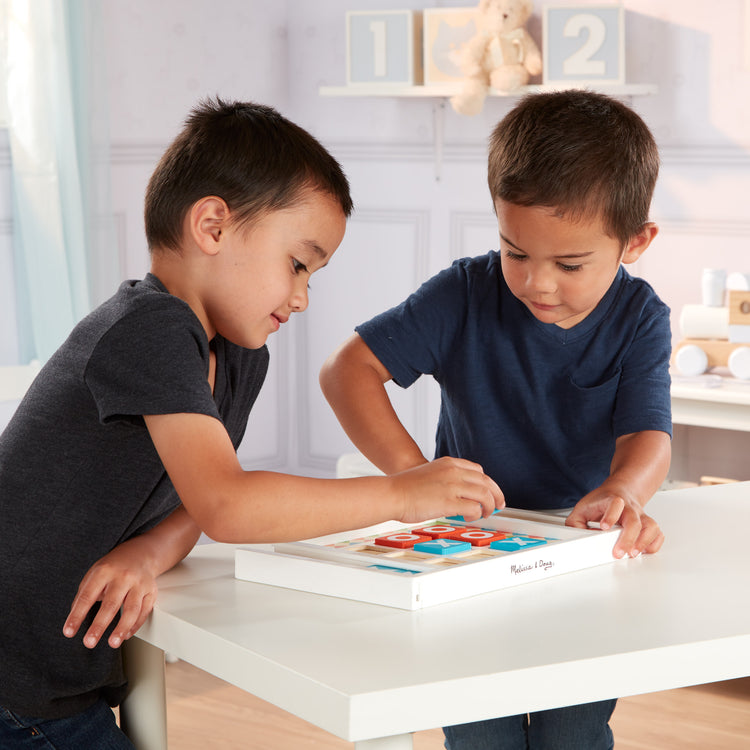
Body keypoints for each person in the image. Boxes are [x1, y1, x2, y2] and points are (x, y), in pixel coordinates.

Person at [0, 98, 503, 750]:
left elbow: (198, 505)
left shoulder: (239, 356)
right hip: (21, 684)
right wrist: (402, 493)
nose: (301, 297)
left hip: (60, 674)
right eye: (298, 264)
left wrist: (148, 552)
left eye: (313, 276)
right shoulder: (149, 328)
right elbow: (230, 506)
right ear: (212, 226)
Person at [319, 90, 672, 750]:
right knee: (481, 732)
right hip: (466, 550)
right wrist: (412, 478)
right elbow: (347, 373)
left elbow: (649, 432)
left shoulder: (640, 316)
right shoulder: (464, 293)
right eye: (516, 251)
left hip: (581, 556)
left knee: (574, 733)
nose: (538, 283)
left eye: (569, 264)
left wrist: (624, 491)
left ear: (636, 242)